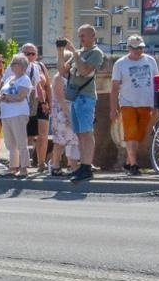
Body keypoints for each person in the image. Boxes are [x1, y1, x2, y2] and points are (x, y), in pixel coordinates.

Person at [110, 35, 158, 174]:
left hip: (146, 102)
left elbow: (156, 83)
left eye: (141, 47)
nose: (138, 50)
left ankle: (128, 162)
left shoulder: (150, 61)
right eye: (135, 48)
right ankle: (134, 165)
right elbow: (114, 87)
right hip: (127, 103)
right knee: (131, 135)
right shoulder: (120, 63)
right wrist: (113, 108)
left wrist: (156, 102)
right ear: (129, 48)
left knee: (140, 136)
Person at [62, 25, 104, 181]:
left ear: (93, 36)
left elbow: (85, 71)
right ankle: (83, 165)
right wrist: (61, 53)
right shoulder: (78, 53)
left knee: (87, 132)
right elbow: (62, 71)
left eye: (83, 36)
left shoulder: (96, 53)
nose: (81, 39)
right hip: (75, 98)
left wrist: (74, 52)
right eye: (79, 36)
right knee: (79, 134)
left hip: (86, 98)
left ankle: (87, 166)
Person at [46, 44, 80, 175]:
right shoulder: (58, 78)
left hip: (71, 110)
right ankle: (55, 165)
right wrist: (69, 116)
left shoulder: (71, 78)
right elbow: (60, 99)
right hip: (61, 113)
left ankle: (73, 166)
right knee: (60, 140)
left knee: (73, 140)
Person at [21, 42, 50, 173]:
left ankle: (41, 162)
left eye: (32, 53)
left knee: (43, 134)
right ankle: (26, 162)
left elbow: (47, 86)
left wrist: (50, 103)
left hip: (41, 103)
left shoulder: (41, 66)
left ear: (36, 55)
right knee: (28, 136)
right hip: (25, 104)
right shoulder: (18, 67)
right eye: (26, 53)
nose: (29, 56)